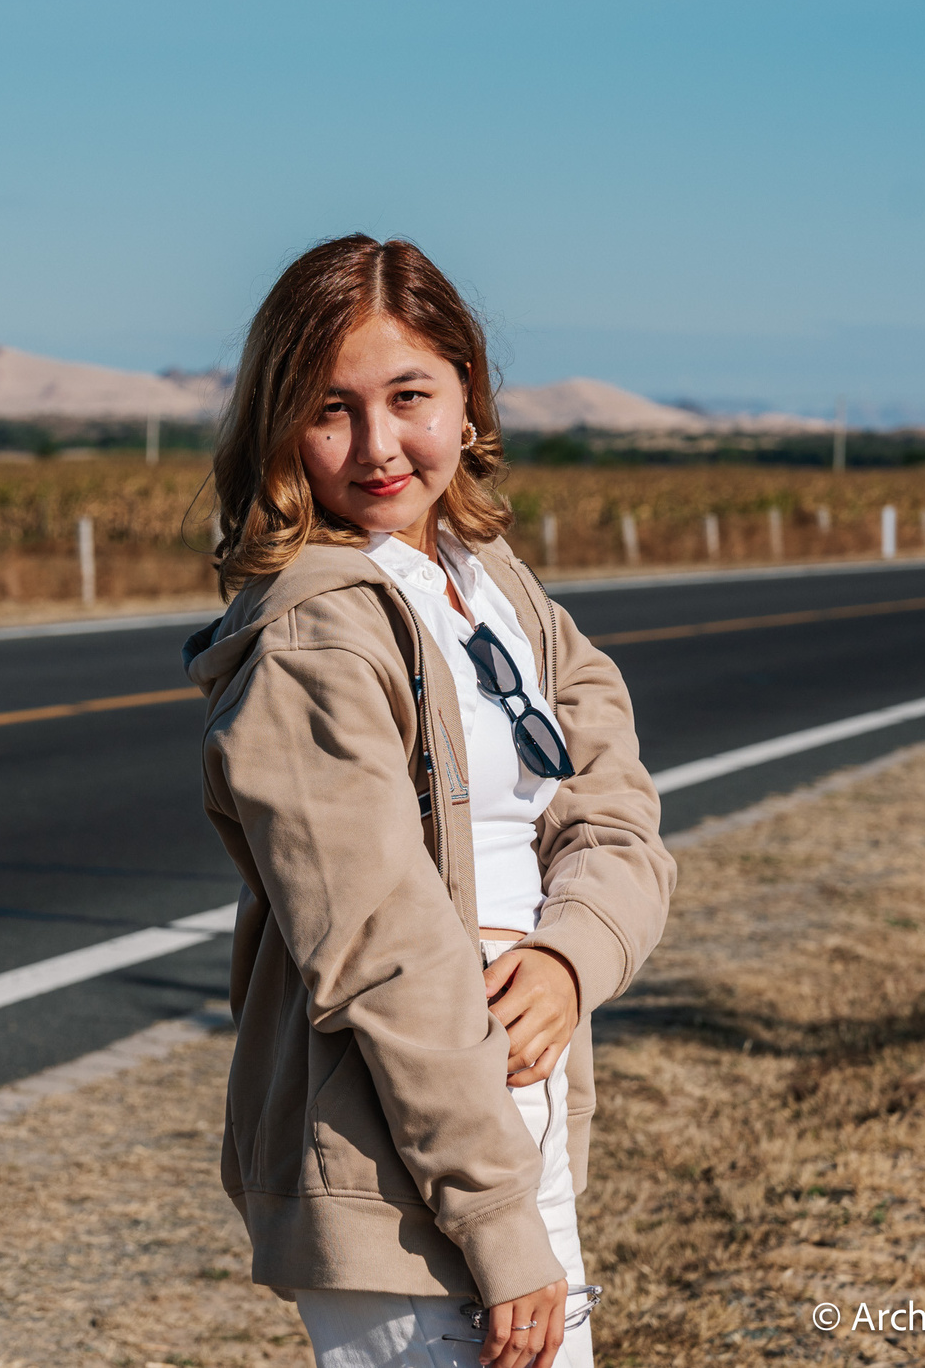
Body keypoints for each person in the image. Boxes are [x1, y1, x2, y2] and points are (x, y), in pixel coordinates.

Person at [185, 235, 674, 1368]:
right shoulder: (315, 633)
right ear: (278, 426)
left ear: (467, 397)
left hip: (515, 1111)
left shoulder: (494, 587)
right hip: (397, 1148)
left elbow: (617, 813)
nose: (376, 446)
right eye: (330, 408)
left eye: (409, 396)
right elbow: (378, 946)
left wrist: (572, 959)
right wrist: (496, 1217)